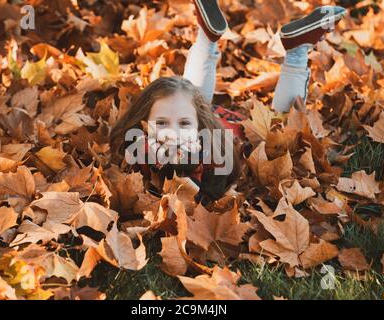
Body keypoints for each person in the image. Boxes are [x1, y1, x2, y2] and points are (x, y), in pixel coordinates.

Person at [110, 1, 347, 204]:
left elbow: (209, 192)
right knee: (187, 97)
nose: (172, 133)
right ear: (144, 122)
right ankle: (207, 37)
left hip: (237, 132)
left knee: (281, 136)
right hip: (208, 119)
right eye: (161, 123)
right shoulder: (142, 144)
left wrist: (186, 159)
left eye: (182, 125)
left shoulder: (209, 153)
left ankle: (297, 53)